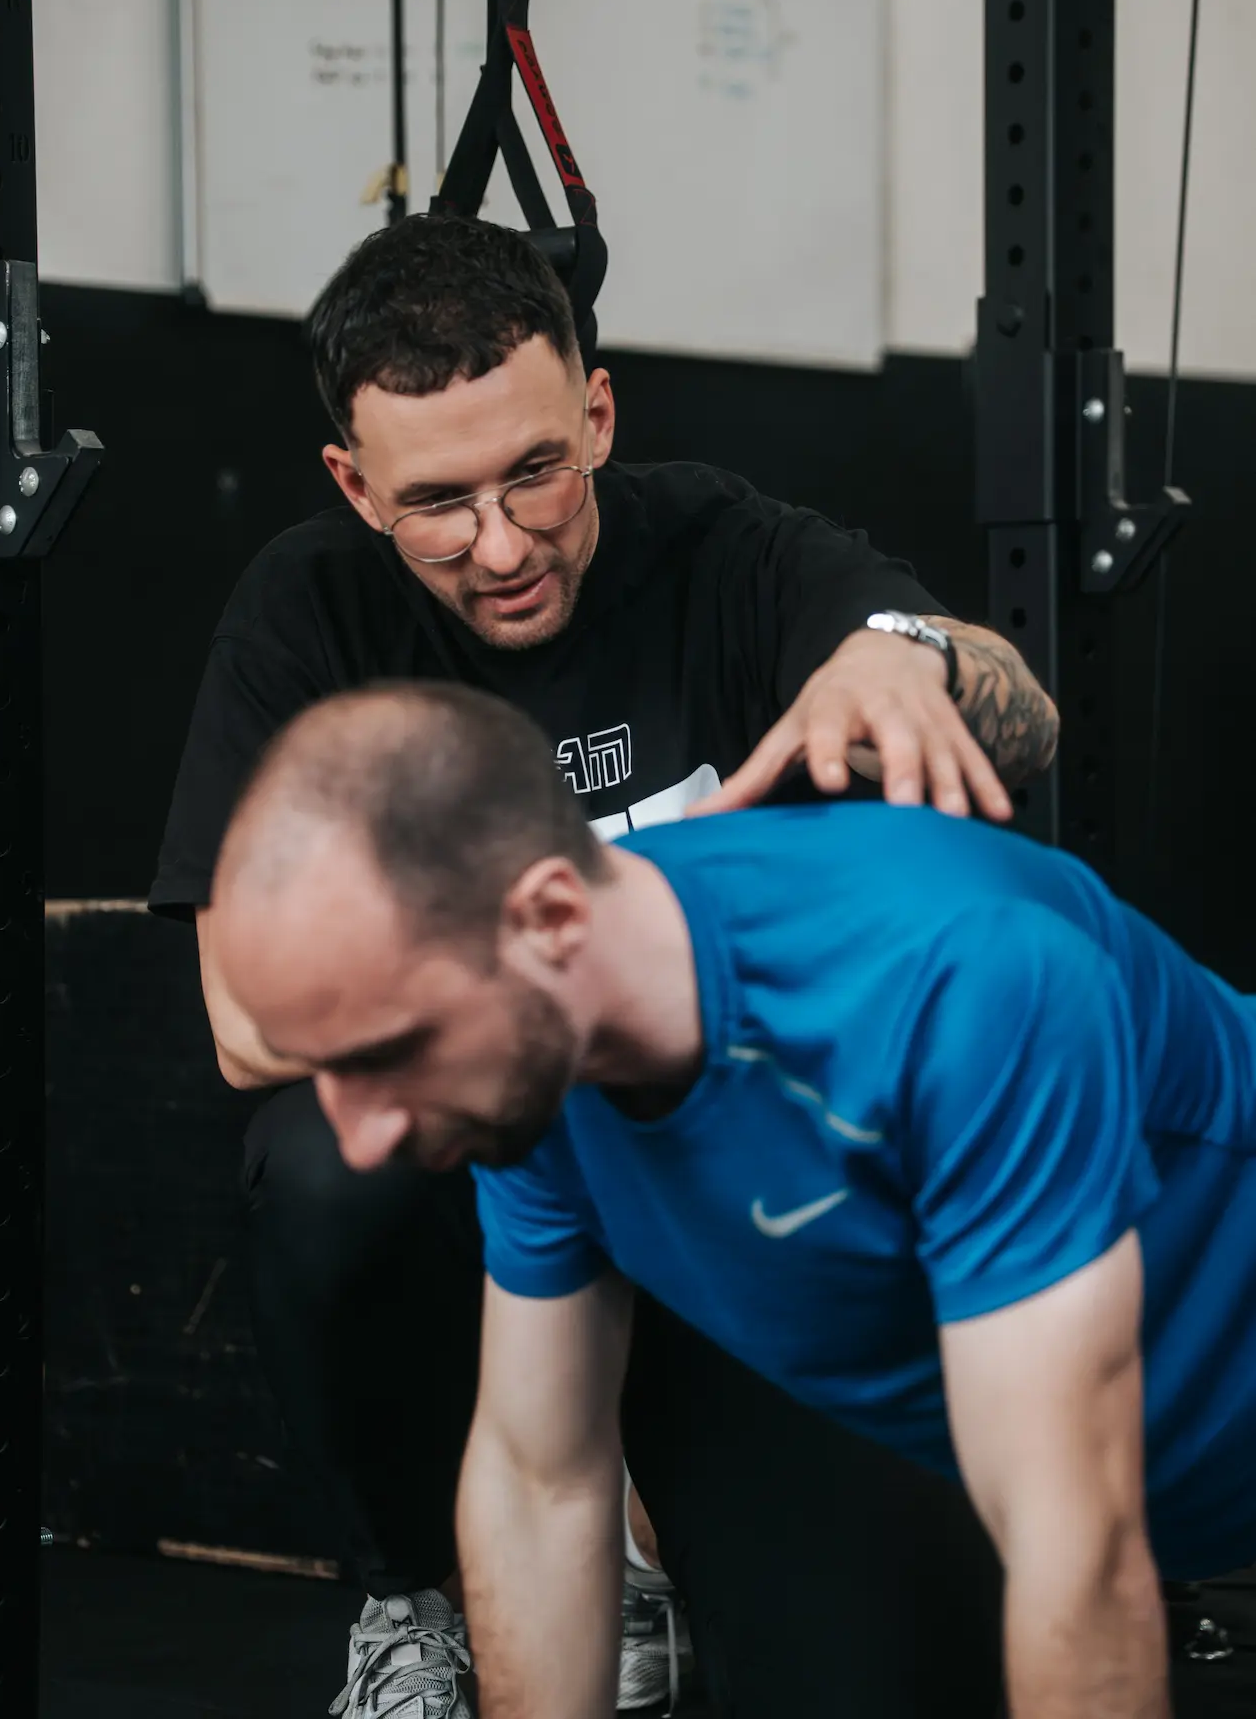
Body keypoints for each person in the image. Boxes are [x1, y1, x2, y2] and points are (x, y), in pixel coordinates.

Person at [151, 214, 1059, 1717]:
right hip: (494, 1161)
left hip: (726, 1170)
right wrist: (568, 1009)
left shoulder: (724, 546)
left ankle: (674, 1538)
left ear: (598, 413)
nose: (500, 546)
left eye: (535, 475)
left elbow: (1014, 708)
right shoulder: (308, 611)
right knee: (322, 1168)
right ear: (352, 486)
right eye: (436, 503)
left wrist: (917, 655)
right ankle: (413, 1596)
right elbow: (247, 1024)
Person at [210, 682, 1256, 1719]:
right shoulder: (527, 1033)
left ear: (553, 917)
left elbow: (1076, 1548)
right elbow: (541, 1477)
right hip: (1032, 1456)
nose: (360, 1134)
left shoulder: (958, 977)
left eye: (388, 1053)